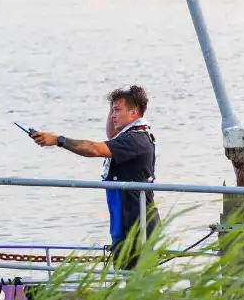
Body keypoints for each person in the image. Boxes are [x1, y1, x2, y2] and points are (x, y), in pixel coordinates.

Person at [29, 85, 159, 268]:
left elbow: (93, 149)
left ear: (134, 112)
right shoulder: (130, 134)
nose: (113, 115)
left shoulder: (134, 140)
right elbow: (111, 134)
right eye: (111, 110)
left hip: (137, 224)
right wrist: (112, 104)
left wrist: (58, 140)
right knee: (125, 273)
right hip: (124, 217)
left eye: (117, 110)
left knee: (135, 276)